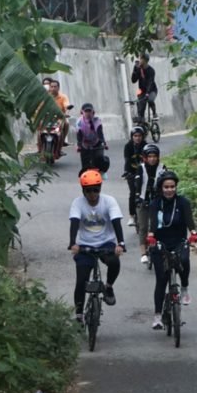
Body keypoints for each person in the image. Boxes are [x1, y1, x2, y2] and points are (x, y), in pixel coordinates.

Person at [69, 169, 126, 323]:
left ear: (100, 188)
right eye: (88, 191)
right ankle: (79, 315)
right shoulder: (77, 203)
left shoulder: (109, 201)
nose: (93, 194)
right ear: (83, 190)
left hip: (105, 243)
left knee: (114, 261)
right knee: (81, 281)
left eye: (96, 189)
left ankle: (108, 286)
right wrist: (73, 243)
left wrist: (120, 243)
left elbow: (116, 221)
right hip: (85, 245)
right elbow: (74, 222)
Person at [146, 170, 197, 330]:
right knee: (161, 279)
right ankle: (157, 316)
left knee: (183, 260)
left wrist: (194, 233)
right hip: (160, 242)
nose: (169, 190)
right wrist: (151, 235)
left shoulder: (183, 202)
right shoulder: (155, 203)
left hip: (178, 241)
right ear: (161, 188)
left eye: (172, 186)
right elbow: (153, 222)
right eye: (166, 187)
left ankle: (184, 288)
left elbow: (189, 220)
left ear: (176, 187)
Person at [135, 144, 167, 263]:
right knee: (143, 227)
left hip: (158, 201)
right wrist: (138, 198)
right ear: (145, 158)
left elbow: (166, 181)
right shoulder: (141, 168)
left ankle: (162, 248)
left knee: (160, 225)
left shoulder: (162, 167)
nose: (152, 159)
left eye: (154, 156)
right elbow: (137, 185)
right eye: (150, 156)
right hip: (143, 200)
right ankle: (143, 253)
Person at [123, 126, 147, 227]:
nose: (137, 138)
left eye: (139, 136)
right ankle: (132, 216)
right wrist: (127, 172)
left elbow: (150, 160)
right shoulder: (128, 146)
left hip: (144, 171)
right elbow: (127, 160)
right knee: (133, 193)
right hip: (131, 172)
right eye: (135, 136)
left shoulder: (146, 146)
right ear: (132, 137)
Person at [76, 103, 109, 174]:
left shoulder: (97, 120)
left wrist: (104, 143)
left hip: (96, 143)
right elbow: (79, 135)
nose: (88, 114)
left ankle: (102, 172)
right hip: (85, 144)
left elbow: (100, 133)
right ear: (82, 112)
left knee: (99, 159)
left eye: (89, 111)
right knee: (85, 165)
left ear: (93, 112)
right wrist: (79, 146)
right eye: (86, 111)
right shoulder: (79, 122)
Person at [131, 53, 158, 124]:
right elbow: (133, 80)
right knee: (140, 106)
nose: (139, 60)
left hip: (151, 90)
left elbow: (150, 82)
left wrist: (147, 93)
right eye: (139, 58)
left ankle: (154, 114)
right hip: (142, 90)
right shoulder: (139, 69)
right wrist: (135, 70)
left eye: (141, 59)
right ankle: (141, 121)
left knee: (150, 100)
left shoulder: (151, 70)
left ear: (145, 60)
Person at [48, 79, 71, 146]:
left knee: (66, 123)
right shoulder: (46, 97)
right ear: (49, 88)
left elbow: (67, 106)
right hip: (47, 117)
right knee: (39, 126)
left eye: (55, 87)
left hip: (60, 117)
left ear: (58, 88)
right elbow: (40, 106)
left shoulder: (63, 97)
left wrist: (66, 113)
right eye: (52, 87)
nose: (53, 88)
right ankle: (39, 144)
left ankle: (62, 140)